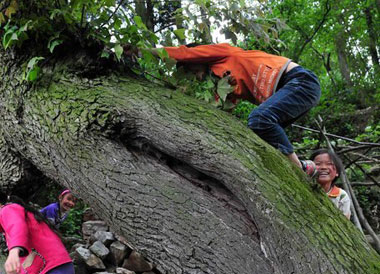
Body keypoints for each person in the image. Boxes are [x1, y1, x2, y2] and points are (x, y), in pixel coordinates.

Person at [126, 43, 320, 176]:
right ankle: (302, 169)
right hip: (287, 93)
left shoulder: (223, 54)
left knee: (259, 119)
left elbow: (183, 53)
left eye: (194, 71)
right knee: (259, 137)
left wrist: (141, 51)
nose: (198, 77)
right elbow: (222, 111)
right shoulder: (223, 83)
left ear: (197, 59)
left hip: (298, 81)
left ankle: (300, 169)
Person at [310, 149, 351, 219]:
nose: (323, 167)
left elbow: (345, 223)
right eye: (318, 164)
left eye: (329, 164)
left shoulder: (341, 196)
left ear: (337, 172)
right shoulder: (302, 187)